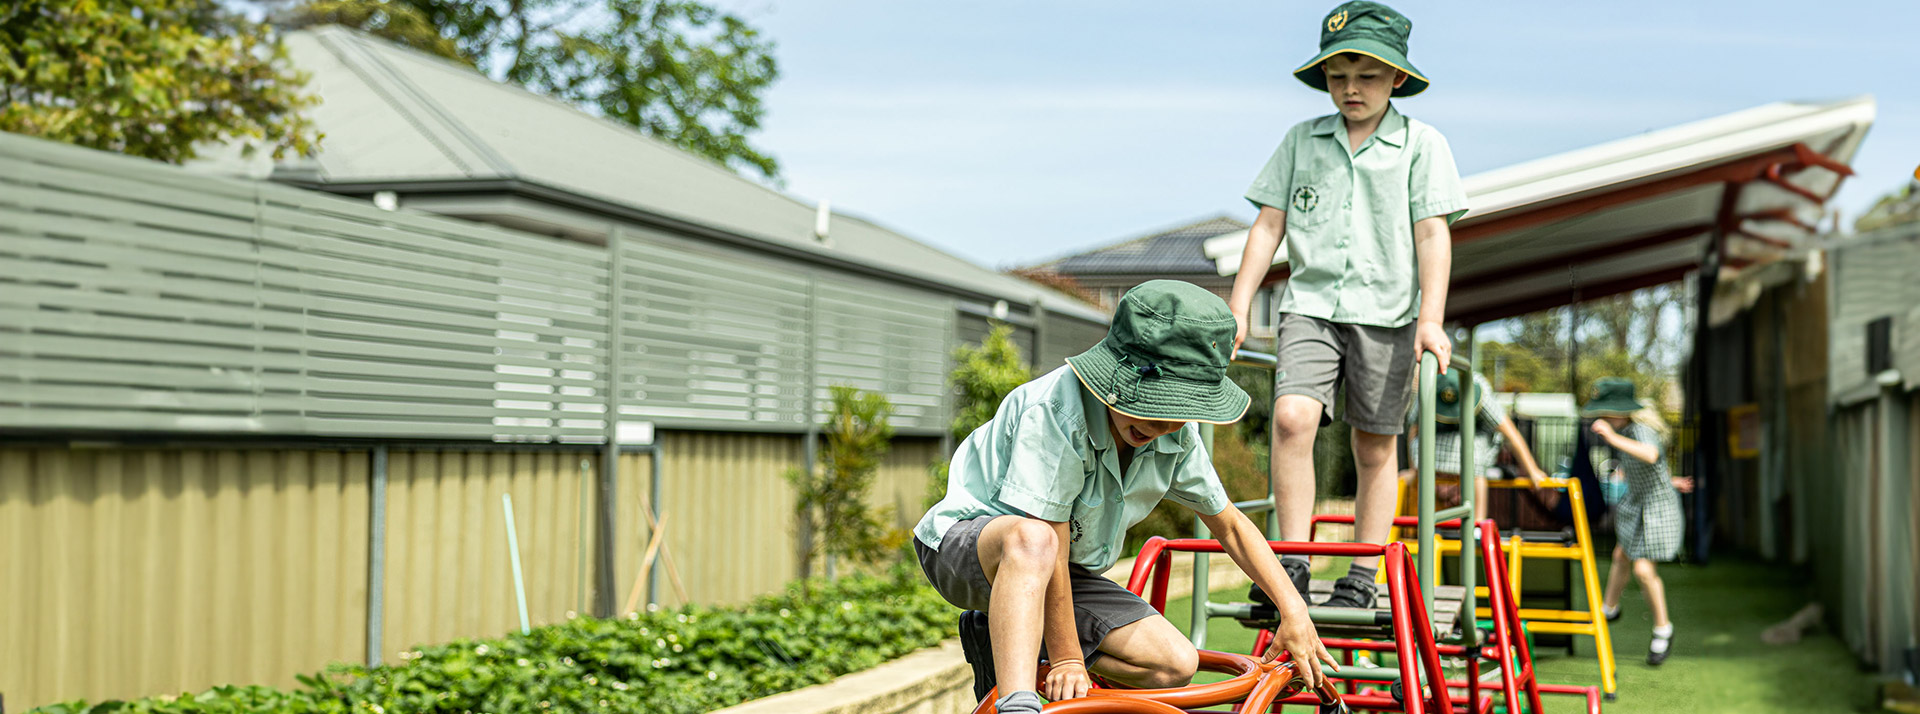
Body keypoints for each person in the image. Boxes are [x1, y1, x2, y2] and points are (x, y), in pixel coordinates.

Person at [914, 281, 1338, 714]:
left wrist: (1294, 611)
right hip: (967, 547)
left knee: (1174, 663)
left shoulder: (1176, 438)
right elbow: (1047, 538)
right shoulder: (1057, 411)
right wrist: (1065, 658)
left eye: (1177, 412)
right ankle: (1016, 703)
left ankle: (999, 636)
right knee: (1035, 539)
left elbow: (1229, 524)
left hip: (1059, 568)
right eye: (1150, 404)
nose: (1158, 425)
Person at [1226, 0, 1468, 611]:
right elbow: (1267, 225)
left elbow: (1433, 234)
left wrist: (1432, 320)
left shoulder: (1420, 144)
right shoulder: (1301, 141)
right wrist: (1237, 306)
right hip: (1309, 305)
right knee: (1291, 419)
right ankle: (1292, 566)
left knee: (1374, 444)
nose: (1351, 89)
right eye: (1338, 77)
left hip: (1388, 313)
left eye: (1367, 75)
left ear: (1397, 79)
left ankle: (1363, 574)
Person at [1587, 378, 1694, 665]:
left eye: (1606, 411)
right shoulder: (1626, 429)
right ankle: (1608, 608)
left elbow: (1650, 454)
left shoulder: (1640, 431)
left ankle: (1663, 628)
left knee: (1644, 570)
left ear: (1620, 411)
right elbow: (1653, 468)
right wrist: (1671, 480)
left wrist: (1610, 437)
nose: (1602, 417)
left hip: (1657, 511)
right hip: (1637, 505)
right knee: (1621, 554)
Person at [1403, 367, 1550, 524]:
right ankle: (1427, 525)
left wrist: (1532, 470)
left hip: (1477, 440)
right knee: (1422, 463)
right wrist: (1414, 469)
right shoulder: (1428, 389)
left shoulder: (1479, 392)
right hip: (1439, 438)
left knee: (1472, 454)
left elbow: (1510, 433)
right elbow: (1414, 431)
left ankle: (1477, 523)